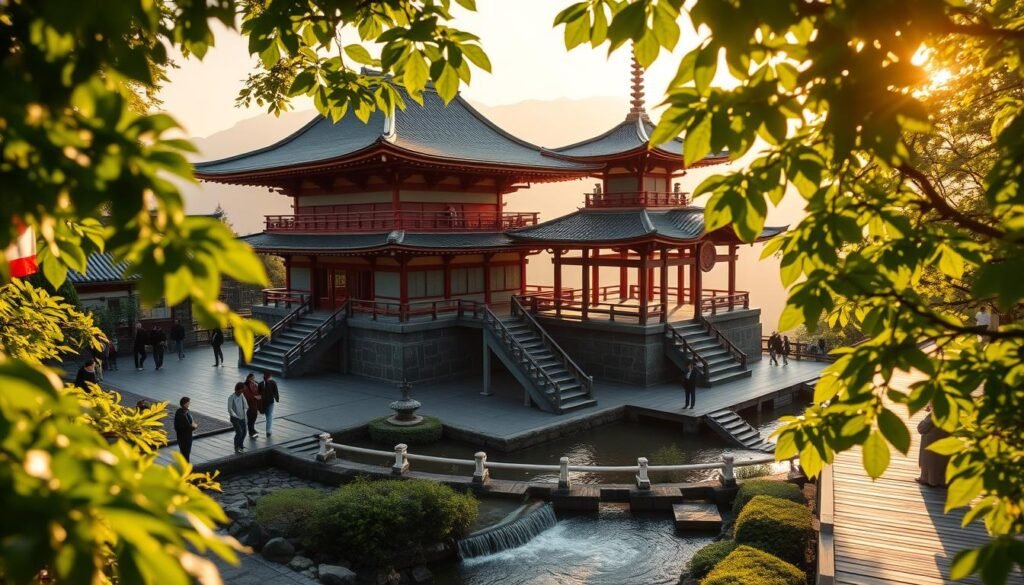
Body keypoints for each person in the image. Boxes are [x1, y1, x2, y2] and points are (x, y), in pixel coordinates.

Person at [916, 410, 951, 487]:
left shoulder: (933, 415)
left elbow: (921, 428)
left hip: (931, 443)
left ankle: (928, 480)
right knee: (942, 461)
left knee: (929, 461)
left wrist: (922, 422)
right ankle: (941, 481)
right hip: (946, 442)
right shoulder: (952, 414)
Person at [173, 396, 198, 462]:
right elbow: (188, 426)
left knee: (185, 453)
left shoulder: (185, 411)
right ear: (185, 403)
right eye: (188, 403)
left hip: (185, 436)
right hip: (184, 437)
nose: (189, 404)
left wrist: (193, 424)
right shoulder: (182, 413)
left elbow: (191, 421)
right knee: (185, 453)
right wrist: (195, 426)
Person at [228, 382, 248, 454]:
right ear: (238, 389)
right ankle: (236, 447)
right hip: (235, 418)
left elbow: (245, 405)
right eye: (242, 390)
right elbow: (230, 409)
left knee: (244, 432)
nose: (242, 391)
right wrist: (236, 416)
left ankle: (240, 445)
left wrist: (245, 414)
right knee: (239, 432)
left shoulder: (242, 396)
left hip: (242, 417)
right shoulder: (231, 397)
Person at [259, 371, 280, 437]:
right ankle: (268, 431)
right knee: (269, 416)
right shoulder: (273, 382)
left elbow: (259, 393)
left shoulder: (261, 384)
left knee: (267, 415)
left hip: (263, 402)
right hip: (270, 402)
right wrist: (277, 399)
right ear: (270, 376)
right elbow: (276, 392)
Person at [243, 373, 262, 439]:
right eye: (252, 378)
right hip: (250, 403)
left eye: (254, 378)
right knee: (251, 418)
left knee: (254, 416)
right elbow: (246, 395)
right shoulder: (245, 386)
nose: (253, 379)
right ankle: (251, 432)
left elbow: (258, 391)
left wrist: (259, 395)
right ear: (248, 378)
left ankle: (252, 429)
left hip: (255, 403)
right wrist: (255, 397)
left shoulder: (255, 384)